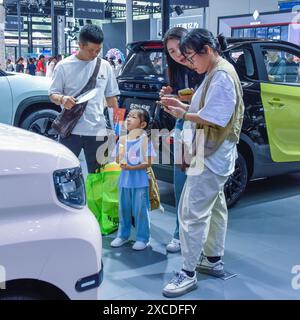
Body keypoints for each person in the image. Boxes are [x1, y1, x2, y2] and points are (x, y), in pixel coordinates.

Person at [161, 29, 244, 298]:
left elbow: (216, 117)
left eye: (189, 56)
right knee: (216, 208)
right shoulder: (216, 72)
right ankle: (212, 258)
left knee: (191, 212)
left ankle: (187, 272)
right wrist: (184, 107)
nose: (188, 62)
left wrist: (183, 111)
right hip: (215, 154)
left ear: (207, 49)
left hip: (210, 156)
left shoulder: (220, 76)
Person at [48, 24, 120, 174]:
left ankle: (96, 199)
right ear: (80, 45)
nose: (95, 54)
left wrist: (120, 127)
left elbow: (112, 100)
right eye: (91, 50)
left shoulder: (105, 66)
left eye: (98, 50)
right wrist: (62, 99)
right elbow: (52, 94)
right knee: (66, 173)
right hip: (70, 130)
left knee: (99, 176)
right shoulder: (63, 66)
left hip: (98, 130)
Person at [160, 27, 204, 254]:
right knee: (181, 185)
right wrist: (170, 96)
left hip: (205, 130)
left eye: (178, 49)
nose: (176, 54)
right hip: (184, 127)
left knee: (200, 188)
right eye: (171, 51)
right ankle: (178, 234)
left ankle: (200, 238)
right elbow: (180, 106)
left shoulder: (207, 68)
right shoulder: (177, 71)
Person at [111, 107, 155, 251]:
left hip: (140, 182)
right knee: (123, 209)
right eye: (128, 116)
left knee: (141, 210)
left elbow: (148, 162)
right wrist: (121, 159)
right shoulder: (123, 140)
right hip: (124, 181)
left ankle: (143, 238)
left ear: (142, 125)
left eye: (134, 117)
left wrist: (132, 167)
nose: (128, 119)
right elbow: (117, 159)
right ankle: (122, 235)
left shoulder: (145, 141)